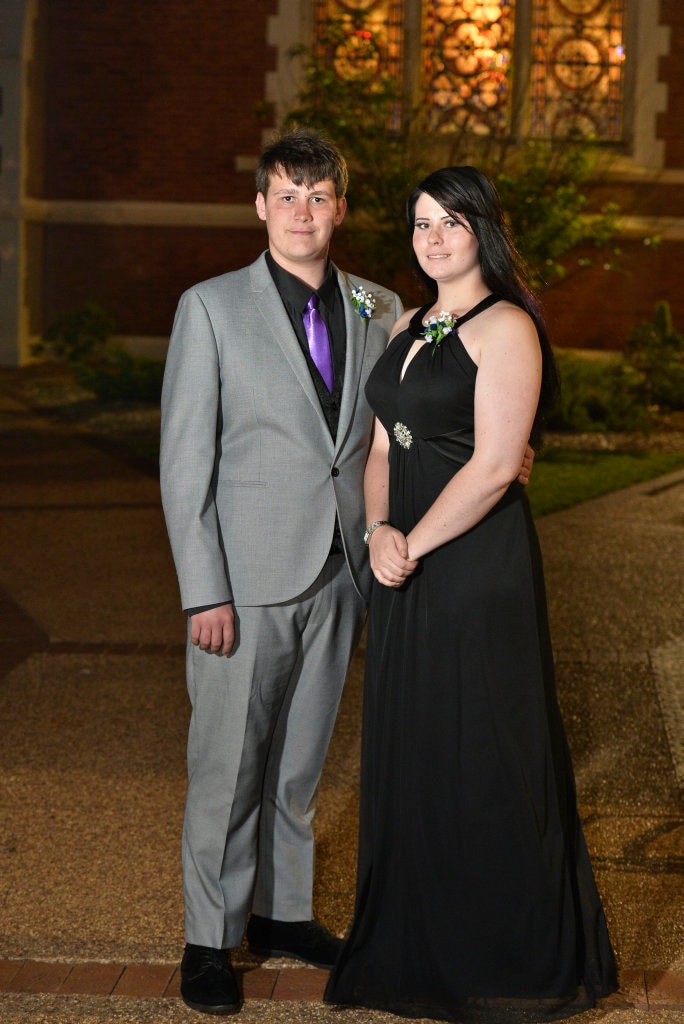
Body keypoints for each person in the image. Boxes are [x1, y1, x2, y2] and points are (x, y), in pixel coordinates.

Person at [325, 166, 618, 1023]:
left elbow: (495, 466)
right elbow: (380, 444)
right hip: (404, 561)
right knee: (417, 751)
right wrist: (380, 530)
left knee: (484, 755)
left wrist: (410, 542)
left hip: (473, 565)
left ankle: (505, 959)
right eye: (420, 223)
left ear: (482, 228)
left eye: (450, 221)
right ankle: (421, 947)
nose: (434, 237)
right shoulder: (407, 322)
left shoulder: (509, 328)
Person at [159, 127, 404, 1014]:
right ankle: (209, 940)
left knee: (301, 764)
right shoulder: (211, 308)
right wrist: (205, 590)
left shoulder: (380, 306)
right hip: (245, 581)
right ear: (261, 206)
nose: (305, 212)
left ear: (341, 208)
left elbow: (406, 418)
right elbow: (185, 465)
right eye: (288, 196)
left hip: (341, 570)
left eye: (321, 196)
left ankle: (285, 914)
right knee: (228, 766)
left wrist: (504, 440)